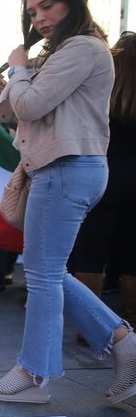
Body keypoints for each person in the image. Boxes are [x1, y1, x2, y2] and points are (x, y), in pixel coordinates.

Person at [0, 0, 135, 404]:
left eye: (47, 5)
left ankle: (34, 374)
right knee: (49, 271)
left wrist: (18, 70)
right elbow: (13, 115)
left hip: (66, 167)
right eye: (33, 11)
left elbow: (30, 103)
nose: (40, 17)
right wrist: (10, 85)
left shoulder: (83, 47)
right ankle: (123, 341)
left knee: (44, 275)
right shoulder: (70, 50)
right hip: (63, 166)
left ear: (73, 1)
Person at [68, 33, 136, 328]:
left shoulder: (101, 93)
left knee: (90, 254)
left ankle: (90, 328)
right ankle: (131, 320)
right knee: (133, 254)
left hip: (103, 180)